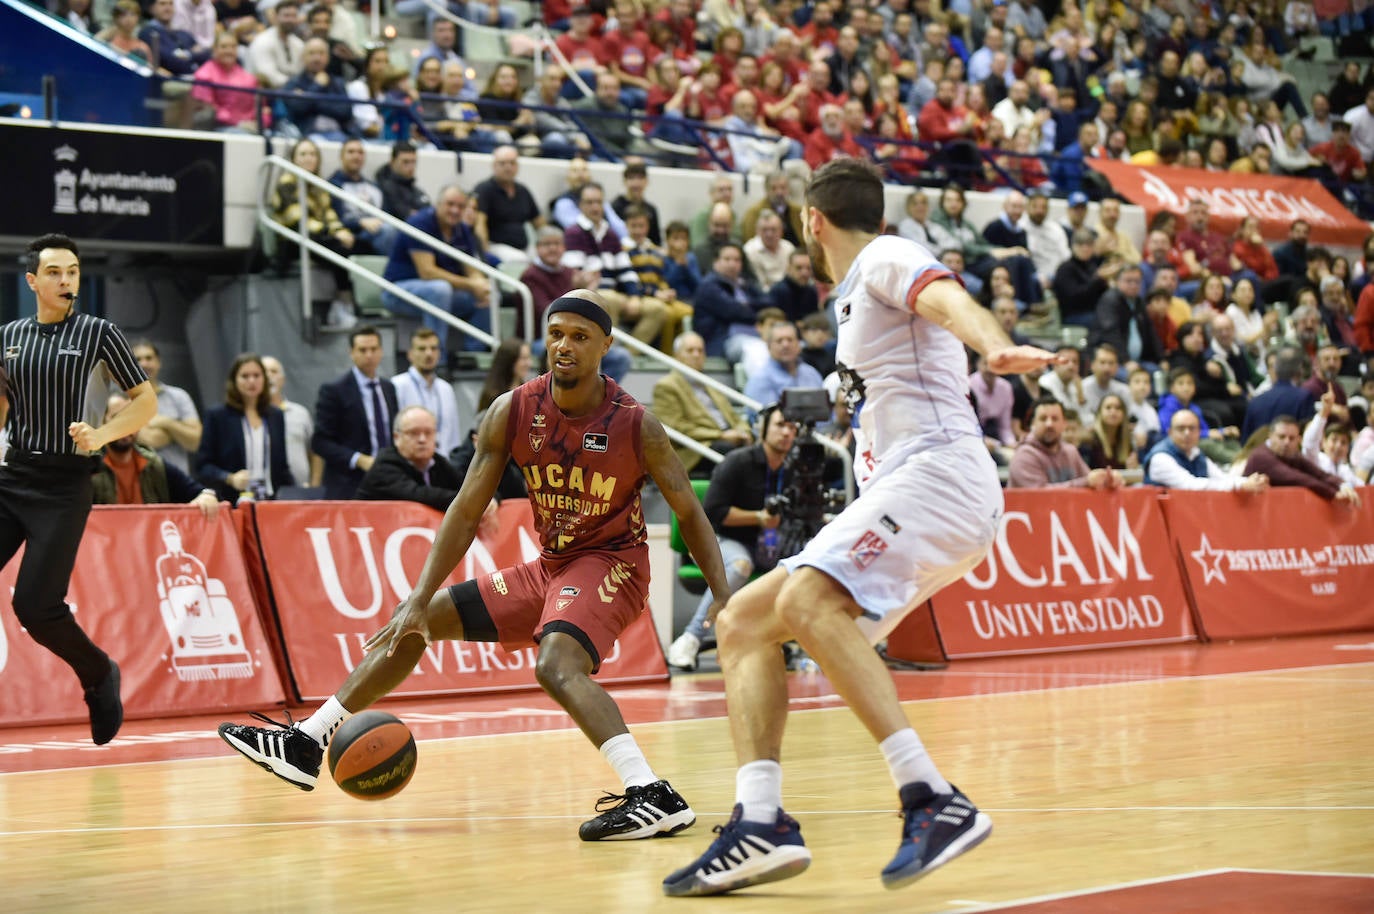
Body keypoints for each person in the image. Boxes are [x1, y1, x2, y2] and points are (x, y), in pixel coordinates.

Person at [663, 159, 1063, 897]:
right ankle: (760, 822)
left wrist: (991, 345)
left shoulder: (884, 254)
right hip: (909, 490)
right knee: (743, 622)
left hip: (939, 475)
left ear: (812, 222)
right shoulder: (855, 296)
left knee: (805, 602)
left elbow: (944, 296)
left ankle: (930, 797)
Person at [220, 291, 732, 844]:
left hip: (614, 564)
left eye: (580, 337)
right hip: (552, 566)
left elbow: (691, 514)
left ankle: (650, 793)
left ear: (606, 346)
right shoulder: (513, 409)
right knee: (414, 622)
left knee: (555, 665)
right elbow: (464, 510)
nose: (564, 346)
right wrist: (418, 594)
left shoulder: (636, 424)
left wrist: (725, 603)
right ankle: (309, 741)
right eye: (556, 333)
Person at [0, 233, 157, 745]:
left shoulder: (99, 333)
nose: (65, 280)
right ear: (33, 281)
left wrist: (102, 435)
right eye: (54, 272)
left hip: (66, 485)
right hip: (13, 476)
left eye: (72, 271)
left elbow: (145, 402)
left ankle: (97, 673)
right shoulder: (8, 336)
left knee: (35, 607)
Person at [666, 402, 797, 671]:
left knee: (808, 565)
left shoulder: (795, 470)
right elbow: (712, 512)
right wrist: (759, 517)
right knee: (740, 565)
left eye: (792, 427)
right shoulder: (738, 462)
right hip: (723, 539)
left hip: (771, 544)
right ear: (763, 429)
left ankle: (787, 642)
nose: (786, 432)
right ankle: (691, 636)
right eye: (780, 424)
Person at [381, 184, 492, 354]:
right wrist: (471, 285)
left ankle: (472, 356)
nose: (455, 210)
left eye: (461, 206)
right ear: (437, 204)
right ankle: (437, 359)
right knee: (440, 289)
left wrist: (480, 285)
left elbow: (471, 268)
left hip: (439, 292)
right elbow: (428, 272)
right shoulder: (420, 223)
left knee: (487, 295)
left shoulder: (461, 229)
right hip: (397, 292)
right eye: (450, 204)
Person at [93, 393, 221, 519]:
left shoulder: (155, 465)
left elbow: (198, 491)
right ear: (102, 422)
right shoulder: (89, 468)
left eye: (131, 418)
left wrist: (207, 495)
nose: (125, 425)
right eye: (116, 417)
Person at [313, 326, 401, 500]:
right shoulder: (334, 390)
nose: (369, 355)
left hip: (387, 479)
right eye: (362, 350)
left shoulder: (388, 388)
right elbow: (320, 442)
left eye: (373, 349)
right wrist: (358, 459)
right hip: (349, 483)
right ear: (351, 352)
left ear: (381, 351)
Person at [196, 353, 295, 503]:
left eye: (257, 375)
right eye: (245, 376)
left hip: (270, 499)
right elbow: (203, 466)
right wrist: (229, 478)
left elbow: (282, 467)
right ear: (234, 380)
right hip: (233, 499)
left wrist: (296, 493)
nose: (251, 381)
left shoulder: (275, 416)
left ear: (264, 379)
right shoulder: (218, 416)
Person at [652, 332, 753, 478]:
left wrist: (744, 432)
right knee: (730, 451)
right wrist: (721, 435)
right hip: (696, 449)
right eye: (690, 350)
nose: (696, 355)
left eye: (700, 350)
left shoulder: (710, 384)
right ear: (677, 355)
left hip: (726, 439)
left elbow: (734, 417)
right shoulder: (666, 386)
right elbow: (677, 428)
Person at [355, 405, 470, 512]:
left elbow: (464, 486)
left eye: (428, 433)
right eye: (414, 433)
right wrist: (469, 501)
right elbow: (418, 495)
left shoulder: (438, 462)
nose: (422, 439)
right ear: (397, 438)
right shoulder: (384, 465)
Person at [1008, 397, 1123, 489]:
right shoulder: (1024, 455)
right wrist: (1085, 482)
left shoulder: (1071, 452)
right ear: (1032, 424)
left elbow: (1090, 481)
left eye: (1055, 419)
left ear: (1064, 423)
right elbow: (1039, 496)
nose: (1049, 424)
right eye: (1043, 418)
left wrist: (1107, 481)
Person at [1244, 416, 1361, 504]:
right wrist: (1333, 493)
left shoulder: (1294, 455)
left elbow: (1320, 474)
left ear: (1298, 440)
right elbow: (1296, 477)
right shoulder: (1261, 457)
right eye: (1281, 437)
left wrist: (1343, 485)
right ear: (1270, 436)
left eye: (1291, 438)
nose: (1286, 442)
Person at [1143, 410, 1270, 491]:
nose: (1187, 433)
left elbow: (1222, 478)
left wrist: (1250, 481)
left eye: (1192, 428)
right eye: (1181, 428)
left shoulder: (1196, 454)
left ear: (1199, 432)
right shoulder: (1160, 458)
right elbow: (1189, 485)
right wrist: (1239, 486)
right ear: (1170, 432)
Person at [131, 340, 201, 473]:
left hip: (180, 482)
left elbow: (196, 441)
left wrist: (166, 422)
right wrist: (178, 432)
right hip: (143, 485)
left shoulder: (179, 396)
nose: (144, 363)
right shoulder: (124, 401)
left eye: (149, 358)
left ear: (158, 362)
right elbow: (151, 439)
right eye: (138, 359)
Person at [391, 328, 463, 458]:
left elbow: (454, 437)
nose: (429, 353)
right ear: (410, 354)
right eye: (422, 349)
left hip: (442, 464)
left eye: (433, 348)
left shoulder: (446, 389)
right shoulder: (397, 385)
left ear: (439, 353)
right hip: (409, 464)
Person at [262, 355, 320, 490]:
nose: (269, 376)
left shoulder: (300, 413)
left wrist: (315, 485)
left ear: (283, 379)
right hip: (265, 490)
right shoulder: (252, 415)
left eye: (274, 371)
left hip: (300, 489)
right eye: (264, 371)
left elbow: (314, 451)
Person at [741, 319, 824, 409]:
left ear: (799, 344)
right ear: (769, 347)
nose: (785, 345)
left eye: (790, 340)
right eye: (779, 341)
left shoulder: (811, 373)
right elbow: (770, 419)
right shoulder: (760, 380)